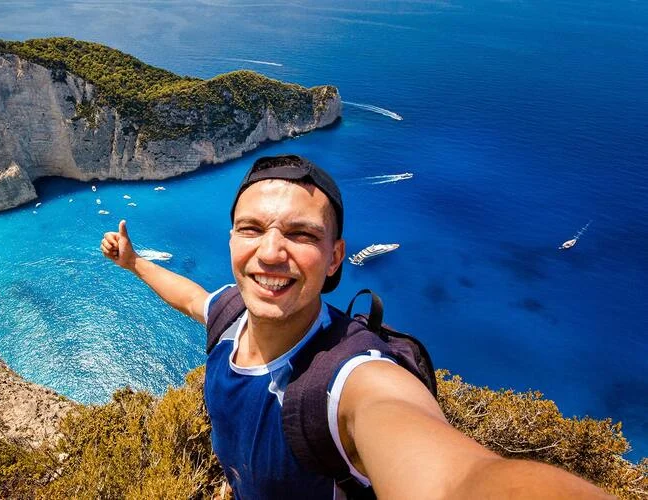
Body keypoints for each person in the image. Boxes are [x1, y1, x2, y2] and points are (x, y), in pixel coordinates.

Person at [100, 155, 609, 499]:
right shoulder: (230, 313)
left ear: (335, 258)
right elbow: (190, 296)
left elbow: (460, 479)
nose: (271, 253)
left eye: (301, 234)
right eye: (251, 229)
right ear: (232, 240)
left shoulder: (349, 381)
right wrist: (135, 262)